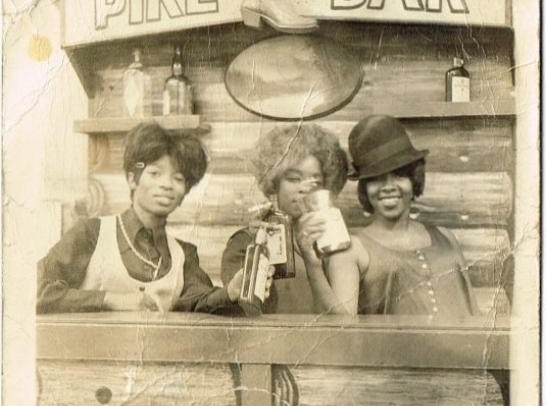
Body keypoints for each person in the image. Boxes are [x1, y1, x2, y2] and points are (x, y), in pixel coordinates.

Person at [37, 122, 245, 314]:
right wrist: (109, 299)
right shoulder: (91, 233)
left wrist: (231, 291)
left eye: (178, 178)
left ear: (184, 194)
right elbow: (35, 290)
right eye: (155, 173)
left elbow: (199, 301)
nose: (166, 184)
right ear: (132, 179)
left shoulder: (184, 255)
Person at [323, 115, 478, 320]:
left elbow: (472, 314)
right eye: (376, 178)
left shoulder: (445, 238)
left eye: (398, 175)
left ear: (414, 179)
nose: (388, 186)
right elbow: (344, 331)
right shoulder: (351, 249)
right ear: (365, 188)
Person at [221, 123, 348, 314]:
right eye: (294, 179)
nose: (304, 188)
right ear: (274, 183)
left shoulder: (333, 242)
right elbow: (240, 310)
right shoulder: (245, 241)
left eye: (315, 181)